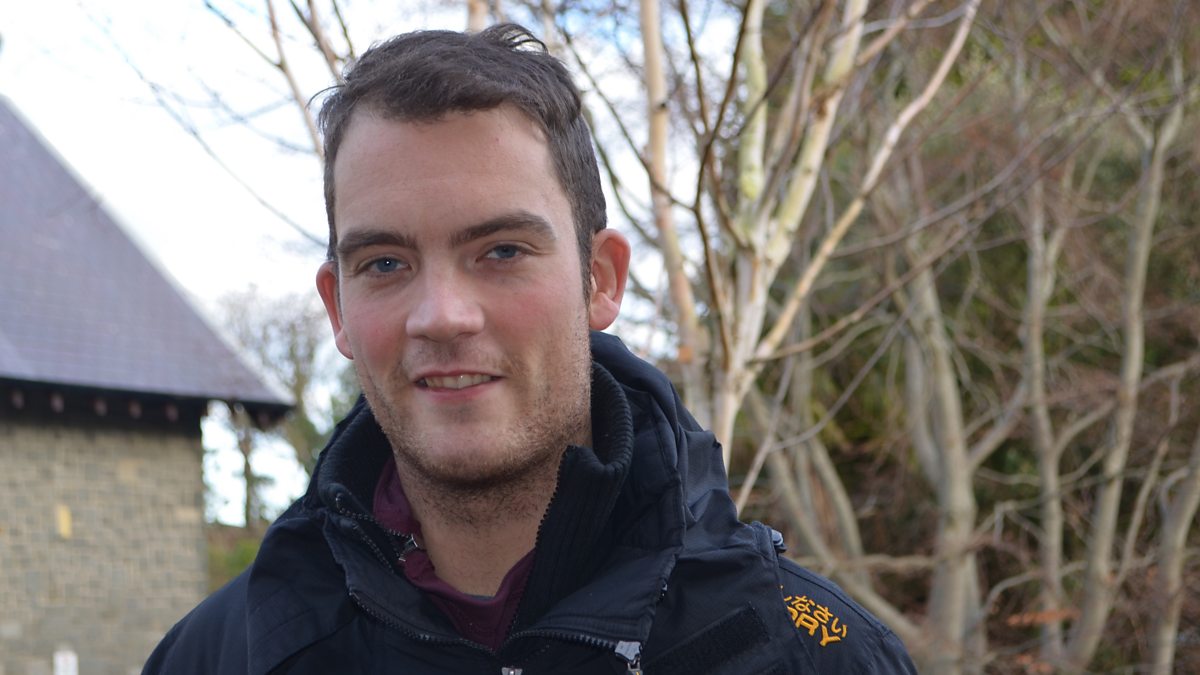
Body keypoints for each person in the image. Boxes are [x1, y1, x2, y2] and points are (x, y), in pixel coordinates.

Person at [144, 23, 917, 674]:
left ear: (600, 279)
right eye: (384, 264)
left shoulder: (807, 652)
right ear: (337, 307)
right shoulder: (219, 657)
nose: (442, 316)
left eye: (502, 251)